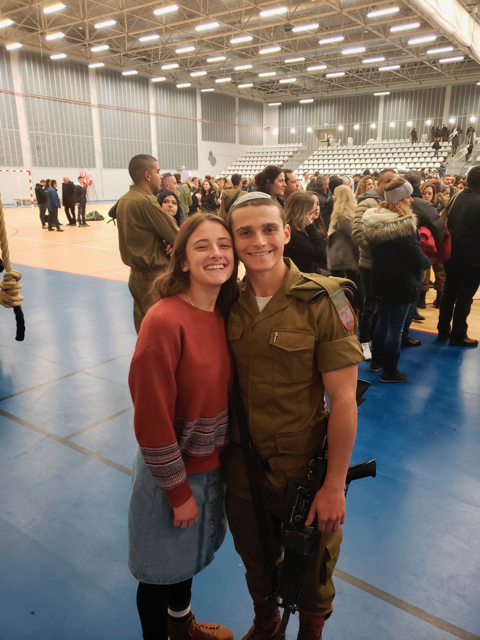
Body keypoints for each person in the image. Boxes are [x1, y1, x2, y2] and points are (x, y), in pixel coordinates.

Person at [223, 191, 363, 640]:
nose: (259, 241)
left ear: (286, 233)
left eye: (269, 229)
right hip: (241, 468)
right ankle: (266, 624)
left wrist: (334, 485)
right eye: (245, 232)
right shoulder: (225, 302)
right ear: (233, 240)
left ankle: (310, 632)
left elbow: (343, 400)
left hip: (303, 470)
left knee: (314, 569)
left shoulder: (323, 300)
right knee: (254, 559)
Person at [128, 213, 238, 640]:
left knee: (185, 561)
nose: (216, 253)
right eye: (202, 246)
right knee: (157, 573)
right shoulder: (164, 321)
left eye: (224, 244)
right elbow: (151, 421)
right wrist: (177, 492)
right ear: (183, 261)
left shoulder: (226, 314)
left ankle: (182, 625)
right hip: (171, 474)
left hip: (211, 468)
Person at [363, 178, 430, 382]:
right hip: (402, 281)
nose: (411, 200)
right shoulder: (404, 225)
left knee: (382, 322)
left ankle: (376, 363)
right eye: (408, 196)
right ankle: (390, 371)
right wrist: (427, 262)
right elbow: (415, 256)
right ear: (399, 200)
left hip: (381, 278)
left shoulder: (375, 219)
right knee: (395, 328)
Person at [116, 154, 178, 334]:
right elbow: (178, 236)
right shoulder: (146, 202)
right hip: (153, 278)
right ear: (147, 175)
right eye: (158, 172)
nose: (161, 176)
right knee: (161, 330)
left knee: (143, 327)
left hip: (136, 277)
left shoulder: (125, 199)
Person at [352, 168, 397, 358]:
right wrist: (380, 251)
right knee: (370, 305)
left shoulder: (392, 203)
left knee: (382, 306)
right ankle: (363, 342)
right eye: (389, 182)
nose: (393, 186)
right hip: (370, 264)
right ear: (379, 183)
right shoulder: (367, 203)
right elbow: (357, 233)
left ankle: (375, 339)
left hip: (386, 265)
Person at [437, 165, 480, 347]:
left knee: (449, 292)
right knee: (465, 296)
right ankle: (458, 334)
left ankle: (443, 329)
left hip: (451, 254)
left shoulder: (456, 196)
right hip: (472, 259)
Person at [405, 171, 446, 313]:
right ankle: (418, 303)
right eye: (425, 193)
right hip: (423, 248)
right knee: (423, 274)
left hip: (429, 247)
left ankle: (437, 298)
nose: (427, 196)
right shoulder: (424, 206)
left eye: (430, 193)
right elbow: (439, 228)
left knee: (439, 271)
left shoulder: (435, 205)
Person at [283, 191, 327, 272]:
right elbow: (321, 254)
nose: (314, 216)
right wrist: (311, 227)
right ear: (301, 214)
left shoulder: (296, 232)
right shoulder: (294, 236)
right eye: (311, 213)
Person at [327, 185, 360, 287]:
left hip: (343, 259)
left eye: (334, 194)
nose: (333, 196)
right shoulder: (349, 214)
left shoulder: (342, 217)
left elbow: (354, 237)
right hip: (345, 259)